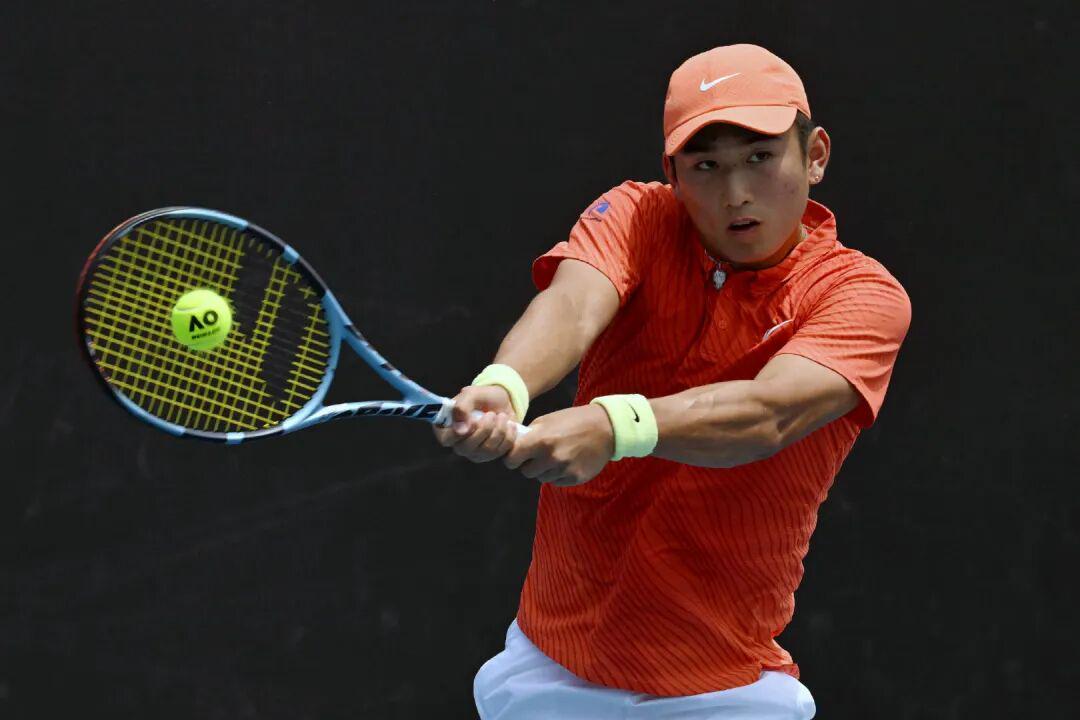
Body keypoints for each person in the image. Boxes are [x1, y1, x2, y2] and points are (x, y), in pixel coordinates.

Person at [435, 43, 911, 719]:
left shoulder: (861, 297)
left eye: (760, 157)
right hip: (549, 668)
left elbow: (768, 412)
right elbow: (573, 305)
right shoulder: (637, 217)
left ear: (815, 155)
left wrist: (613, 426)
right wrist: (505, 385)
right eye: (706, 166)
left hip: (728, 691)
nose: (735, 193)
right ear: (673, 175)